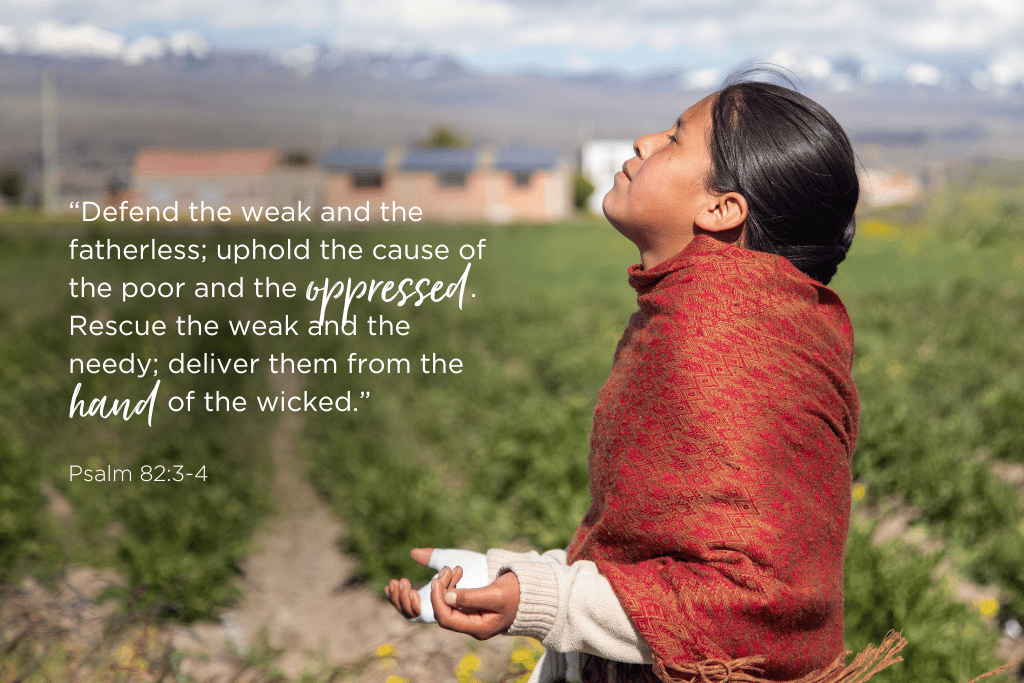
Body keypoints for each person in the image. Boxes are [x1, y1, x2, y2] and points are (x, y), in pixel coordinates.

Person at [386, 69, 880, 683]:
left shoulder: (719, 338)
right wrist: (505, 578)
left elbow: (751, 599)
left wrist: (544, 601)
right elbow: (658, 555)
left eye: (674, 138)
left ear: (722, 209)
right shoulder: (713, 315)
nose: (644, 141)